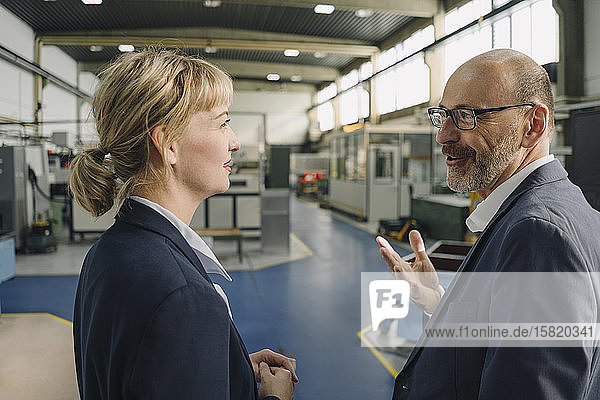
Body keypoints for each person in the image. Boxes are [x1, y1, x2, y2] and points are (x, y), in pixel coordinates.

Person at [70, 49, 297, 400]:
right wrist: (275, 399)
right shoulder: (184, 297)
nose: (235, 142)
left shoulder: (106, 252)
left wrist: (227, 365)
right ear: (168, 144)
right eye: (222, 122)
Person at [377, 49, 600, 399]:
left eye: (466, 116)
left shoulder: (538, 234)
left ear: (533, 125)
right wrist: (436, 301)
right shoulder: (549, 209)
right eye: (444, 116)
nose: (444, 136)